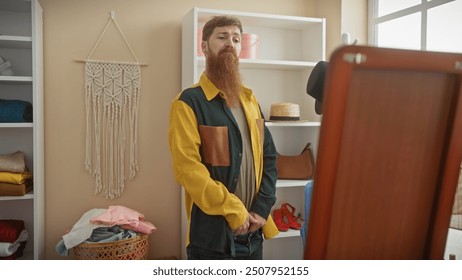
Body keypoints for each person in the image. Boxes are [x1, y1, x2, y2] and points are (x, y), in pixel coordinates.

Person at [168, 15, 279, 260]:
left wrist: (262, 209)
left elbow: (269, 157)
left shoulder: (250, 101)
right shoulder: (188, 103)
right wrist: (234, 210)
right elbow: (188, 170)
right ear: (204, 46)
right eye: (222, 36)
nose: (230, 42)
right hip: (212, 241)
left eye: (236, 39)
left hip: (254, 233)